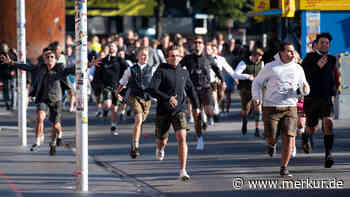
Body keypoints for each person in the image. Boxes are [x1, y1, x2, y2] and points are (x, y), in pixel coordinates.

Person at [252, 42, 310, 177]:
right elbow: (256, 83)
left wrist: (305, 90)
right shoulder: (270, 67)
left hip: (290, 106)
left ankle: (284, 167)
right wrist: (256, 97)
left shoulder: (297, 68)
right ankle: (271, 145)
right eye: (289, 51)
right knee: (271, 136)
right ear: (281, 53)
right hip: (271, 107)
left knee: (289, 137)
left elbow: (304, 86)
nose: (292, 54)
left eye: (293, 51)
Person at [3, 46, 75, 155]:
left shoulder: (60, 68)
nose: (50, 58)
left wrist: (89, 65)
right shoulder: (41, 67)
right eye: (47, 57)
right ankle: (37, 141)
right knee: (40, 116)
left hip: (57, 100)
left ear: (56, 59)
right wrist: (12, 62)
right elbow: (27, 67)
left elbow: (73, 69)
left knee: (56, 125)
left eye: (52, 57)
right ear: (44, 59)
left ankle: (56, 139)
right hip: (43, 98)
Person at [148, 45, 200, 181]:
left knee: (182, 137)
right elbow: (152, 89)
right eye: (172, 55)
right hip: (163, 110)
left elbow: (191, 89)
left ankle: (183, 171)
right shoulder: (161, 70)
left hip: (180, 109)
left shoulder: (184, 72)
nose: (174, 58)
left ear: (181, 57)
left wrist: (196, 106)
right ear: (167, 57)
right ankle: (160, 149)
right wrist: (168, 98)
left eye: (177, 56)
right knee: (161, 140)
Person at [301, 33, 340, 168]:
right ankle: (306, 136)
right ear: (316, 44)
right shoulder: (309, 58)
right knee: (311, 128)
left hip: (326, 98)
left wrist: (335, 89)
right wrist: (317, 66)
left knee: (328, 123)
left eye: (327, 43)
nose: (325, 45)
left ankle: (328, 155)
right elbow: (304, 76)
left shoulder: (332, 59)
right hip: (311, 98)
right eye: (322, 42)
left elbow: (335, 75)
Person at [179, 36, 224, 150]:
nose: (197, 44)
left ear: (203, 45)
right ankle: (199, 139)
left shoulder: (208, 58)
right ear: (193, 45)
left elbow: (216, 69)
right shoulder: (188, 58)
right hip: (193, 90)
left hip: (206, 88)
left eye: (200, 42)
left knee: (209, 111)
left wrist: (222, 81)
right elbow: (178, 68)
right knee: (196, 115)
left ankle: (208, 117)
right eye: (195, 43)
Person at [115, 47, 157, 158]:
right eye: (142, 55)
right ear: (138, 56)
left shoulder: (152, 69)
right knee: (138, 119)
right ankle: (135, 146)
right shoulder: (131, 69)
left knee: (141, 120)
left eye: (146, 55)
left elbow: (156, 84)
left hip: (146, 99)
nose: (144, 57)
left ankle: (135, 140)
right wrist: (117, 93)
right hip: (134, 97)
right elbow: (123, 82)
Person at [92, 43, 129, 135]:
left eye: (113, 46)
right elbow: (97, 72)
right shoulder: (103, 61)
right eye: (110, 46)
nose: (112, 47)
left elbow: (128, 70)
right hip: (106, 86)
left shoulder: (120, 60)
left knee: (115, 108)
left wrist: (125, 83)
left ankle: (113, 125)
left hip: (117, 87)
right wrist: (97, 84)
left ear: (116, 49)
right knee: (108, 105)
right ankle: (105, 110)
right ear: (108, 49)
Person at [234, 47, 265, 137]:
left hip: (257, 89)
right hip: (246, 89)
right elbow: (235, 74)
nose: (257, 58)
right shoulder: (244, 63)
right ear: (252, 56)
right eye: (256, 56)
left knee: (258, 108)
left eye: (259, 56)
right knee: (245, 110)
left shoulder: (261, 64)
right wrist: (247, 76)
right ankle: (244, 121)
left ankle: (257, 128)